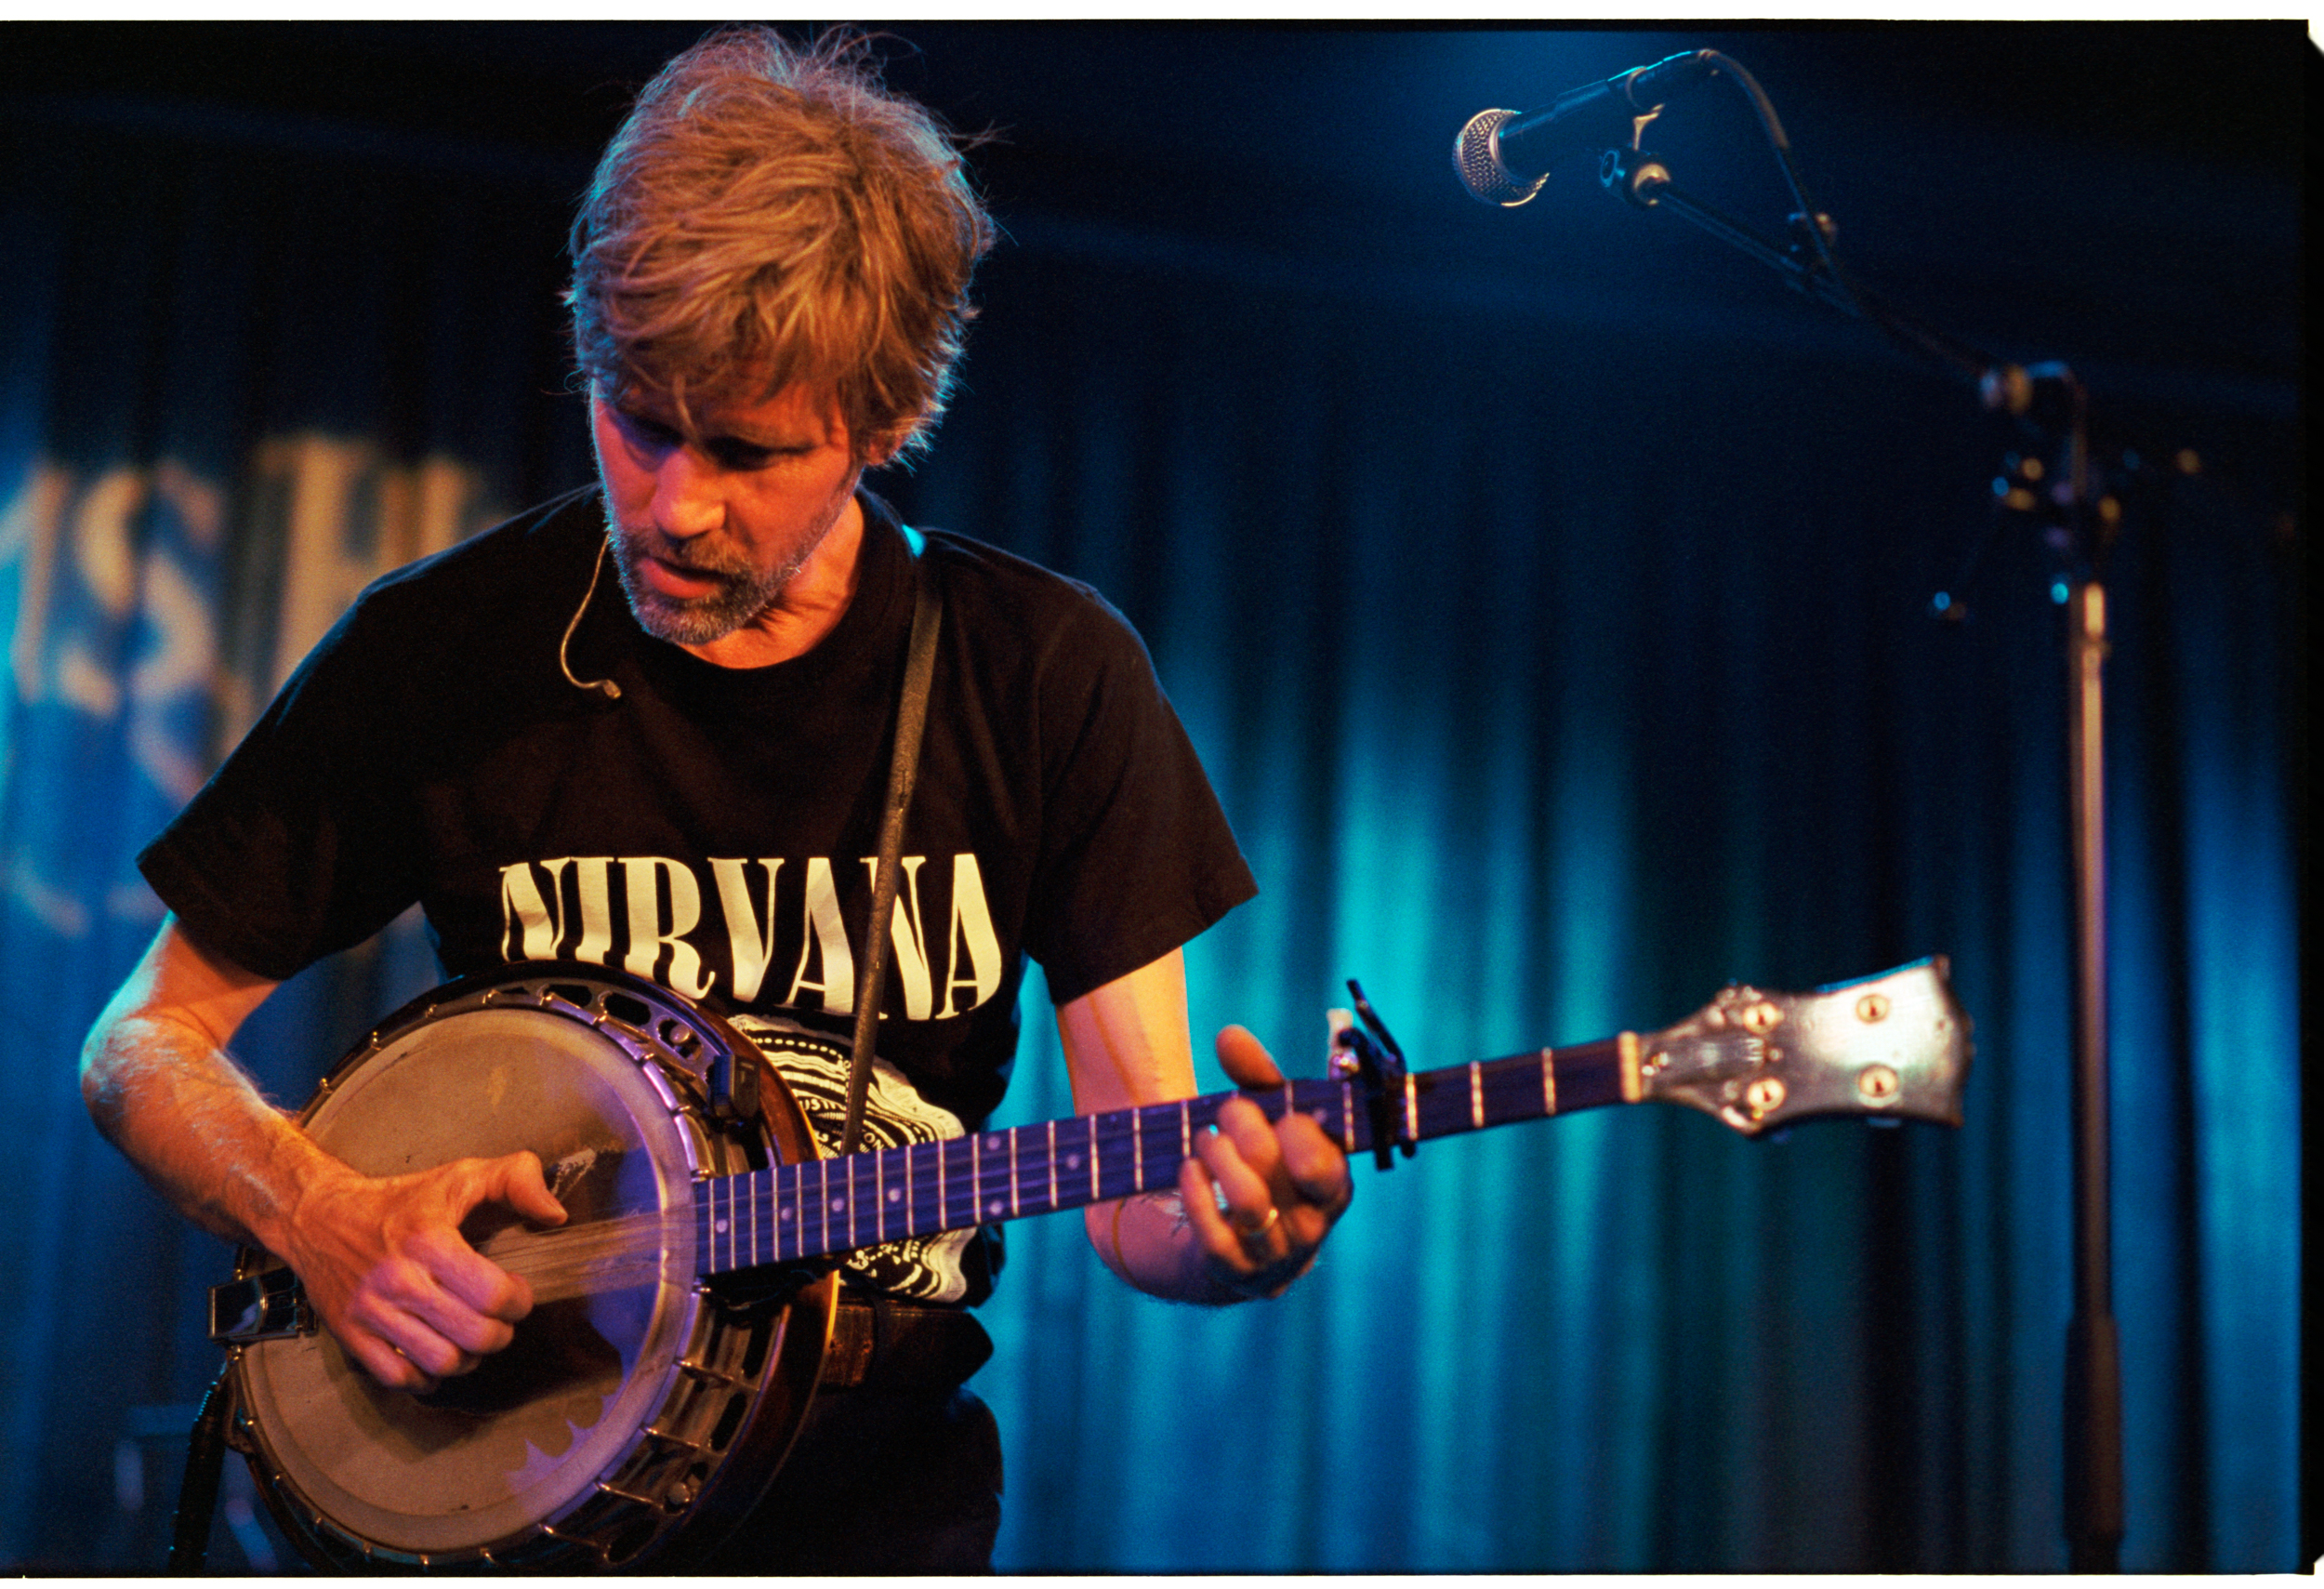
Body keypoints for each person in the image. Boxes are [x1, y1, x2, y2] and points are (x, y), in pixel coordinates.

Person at [78, 25, 1351, 1573]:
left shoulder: (1043, 678)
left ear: (883, 427)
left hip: (865, 1522)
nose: (675, 505)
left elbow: (1142, 1199)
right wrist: (320, 1212)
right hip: (501, 1501)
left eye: (748, 452)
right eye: (637, 417)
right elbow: (140, 1041)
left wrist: (1240, 1238)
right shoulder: (444, 647)